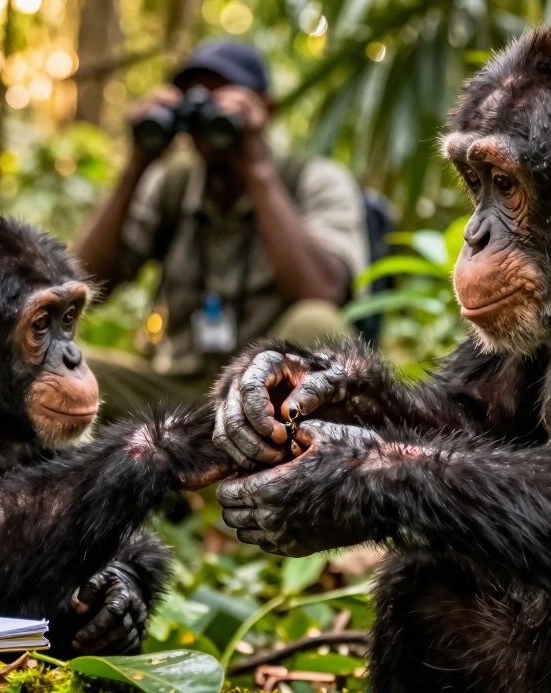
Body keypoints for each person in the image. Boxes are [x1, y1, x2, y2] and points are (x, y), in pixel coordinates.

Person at [72, 40, 368, 419]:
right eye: (193, 98)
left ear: (267, 108)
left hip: (271, 394)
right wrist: (137, 164)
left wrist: (256, 167)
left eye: (223, 96)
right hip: (176, 399)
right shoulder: (170, 186)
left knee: (317, 322)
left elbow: (323, 290)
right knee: (52, 373)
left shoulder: (314, 181)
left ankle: (292, 466)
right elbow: (80, 285)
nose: (206, 110)